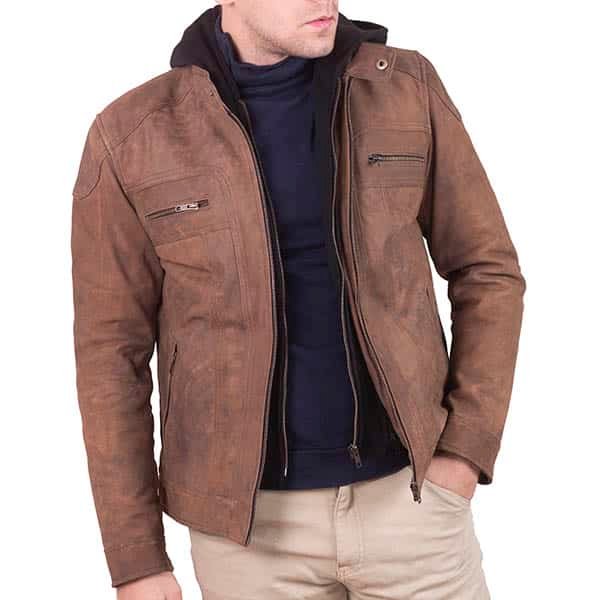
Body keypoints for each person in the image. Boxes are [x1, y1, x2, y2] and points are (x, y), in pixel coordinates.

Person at [70, 2, 526, 598]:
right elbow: (110, 355)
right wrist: (136, 558)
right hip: (247, 541)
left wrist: (465, 451)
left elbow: (487, 270)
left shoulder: (403, 88)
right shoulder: (134, 134)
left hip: (414, 507)